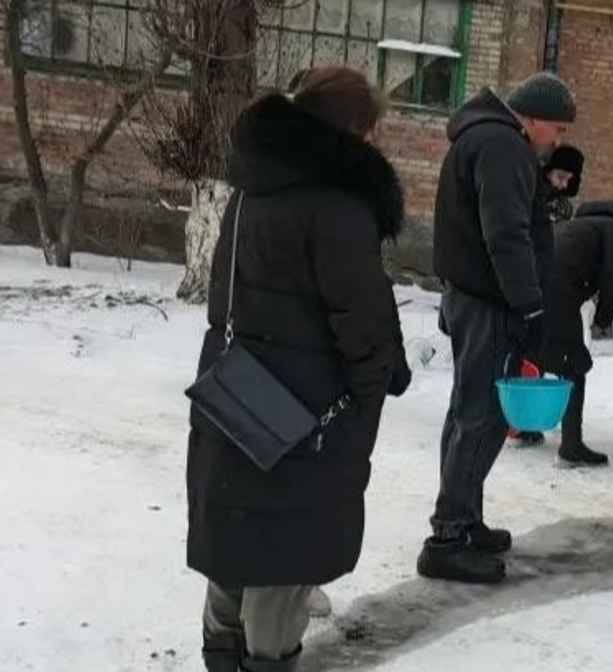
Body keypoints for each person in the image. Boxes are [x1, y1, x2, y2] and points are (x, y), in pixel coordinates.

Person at [187, 66, 410, 672]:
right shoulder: (338, 205)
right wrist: (369, 398)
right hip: (307, 413)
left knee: (236, 540)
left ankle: (220, 656)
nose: (373, 143)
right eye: (371, 130)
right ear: (351, 130)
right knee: (281, 564)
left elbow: (224, 295)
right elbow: (359, 320)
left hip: (237, 394)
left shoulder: (251, 185)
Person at [423, 72, 576, 584]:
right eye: (555, 128)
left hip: (475, 296)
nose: (557, 140)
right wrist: (531, 306)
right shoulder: (502, 147)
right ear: (530, 117)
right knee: (480, 414)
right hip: (489, 303)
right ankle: (447, 538)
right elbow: (506, 235)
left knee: (471, 408)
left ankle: (464, 520)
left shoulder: (484, 139)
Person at [534, 200, 613, 466]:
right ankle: (571, 447)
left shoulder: (576, 225)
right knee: (573, 367)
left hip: (533, 286)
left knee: (537, 355)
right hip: (558, 292)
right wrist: (603, 318)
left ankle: (523, 426)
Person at [512, 143, 586, 448]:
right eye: (559, 176)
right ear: (546, 170)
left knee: (536, 354)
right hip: (526, 286)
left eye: (569, 180)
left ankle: (526, 423)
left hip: (545, 287)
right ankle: (519, 422)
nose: (563, 185)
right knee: (527, 355)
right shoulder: (530, 193)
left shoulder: (562, 207)